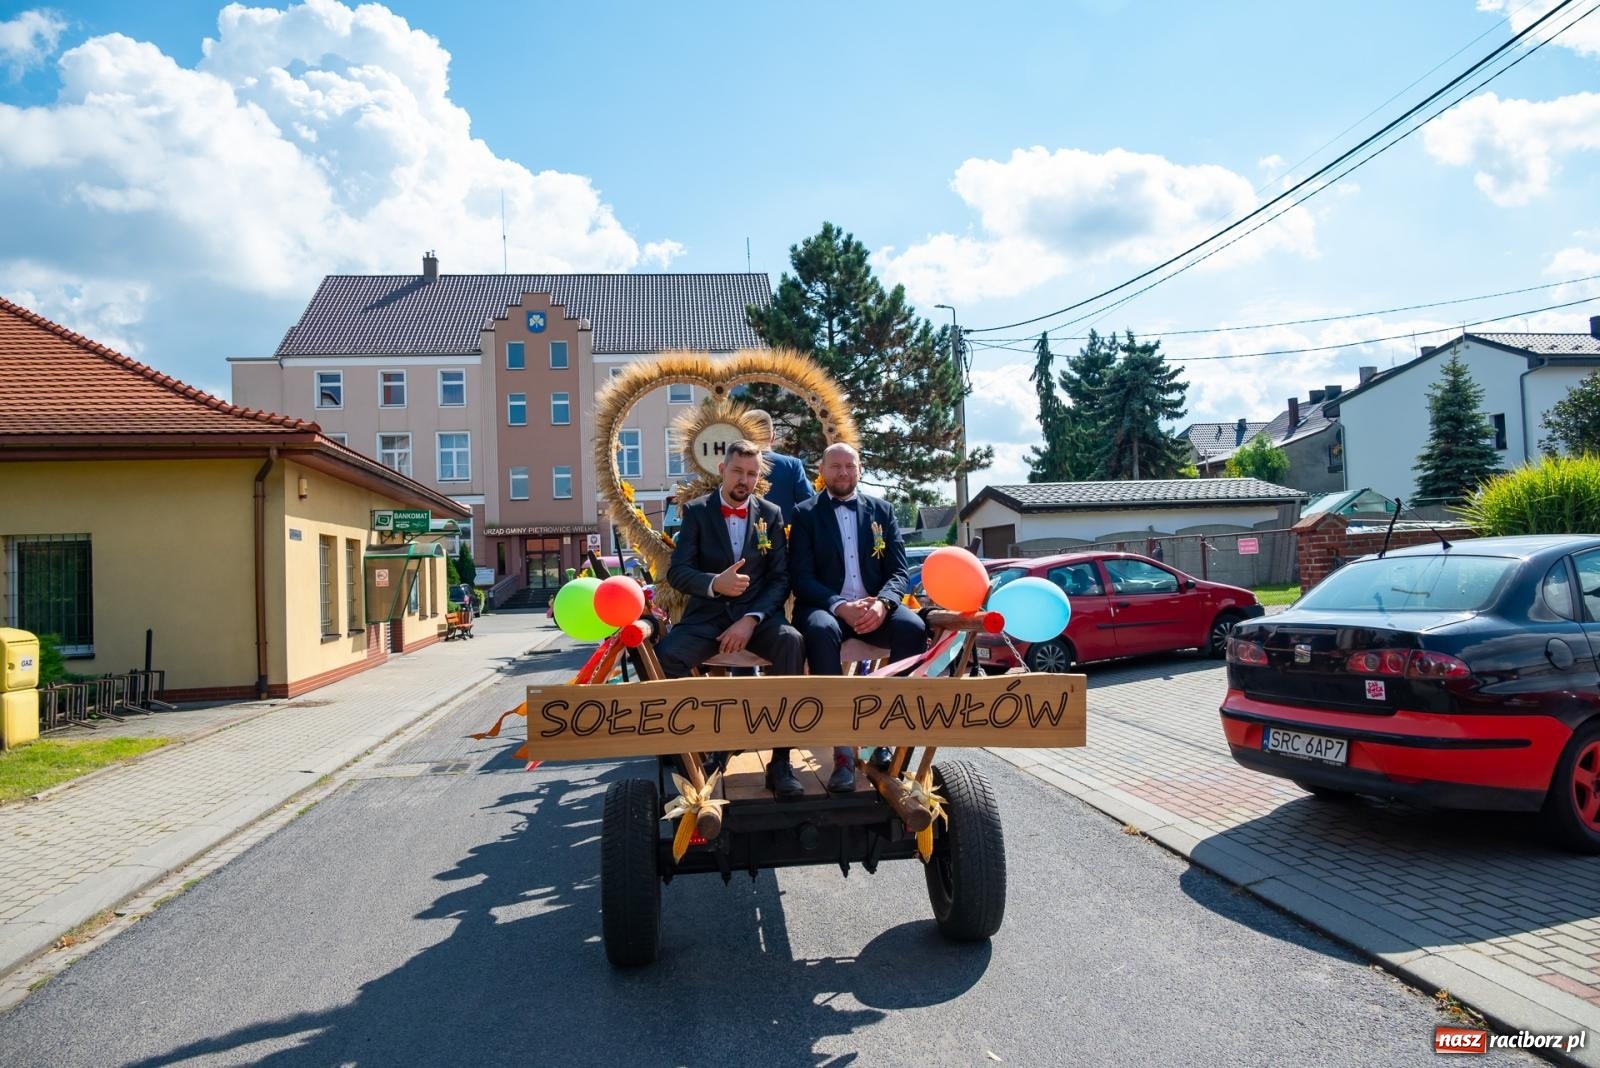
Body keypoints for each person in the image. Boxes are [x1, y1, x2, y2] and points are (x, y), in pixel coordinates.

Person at [655, 439, 808, 798]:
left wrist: (751, 619)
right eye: (738, 471)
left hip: (756, 618)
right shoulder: (696, 511)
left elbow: (780, 577)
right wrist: (714, 583)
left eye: (752, 474)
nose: (744, 480)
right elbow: (678, 572)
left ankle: (781, 761)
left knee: (792, 642)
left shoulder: (771, 514)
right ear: (722, 470)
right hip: (707, 616)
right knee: (667, 656)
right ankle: (705, 750)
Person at [789, 442, 927, 792]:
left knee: (913, 628)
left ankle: (885, 734)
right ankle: (842, 753)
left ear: (860, 470)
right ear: (822, 471)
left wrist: (883, 604)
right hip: (826, 609)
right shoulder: (804, 514)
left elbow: (898, 571)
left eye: (850, 466)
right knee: (820, 631)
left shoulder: (883, 511)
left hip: (875, 608)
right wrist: (839, 606)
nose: (843, 472)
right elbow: (801, 577)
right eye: (835, 466)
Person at [746, 409, 813, 525]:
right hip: (783, 535)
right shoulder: (792, 466)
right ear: (773, 436)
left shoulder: (729, 466)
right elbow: (811, 505)